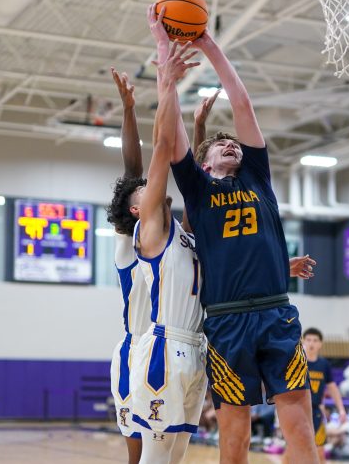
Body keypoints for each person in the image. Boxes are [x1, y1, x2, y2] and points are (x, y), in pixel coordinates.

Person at [160, 15, 317, 461]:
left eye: (235, 145)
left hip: (276, 314)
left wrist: (209, 44)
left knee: (301, 430)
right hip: (226, 322)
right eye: (220, 145)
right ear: (204, 161)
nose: (231, 146)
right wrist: (165, 76)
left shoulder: (257, 178)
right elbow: (168, 136)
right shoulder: (198, 189)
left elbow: (243, 104)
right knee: (235, 440)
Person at [127, 37, 208, 464]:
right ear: (139, 208)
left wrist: (197, 131)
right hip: (164, 348)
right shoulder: (151, 230)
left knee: (176, 456)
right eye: (145, 189)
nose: (151, 186)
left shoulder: (185, 234)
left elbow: (193, 179)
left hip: (195, 348)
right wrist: (166, 81)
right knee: (156, 459)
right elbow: (162, 149)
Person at [106, 67, 150, 464]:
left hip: (174, 349)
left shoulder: (175, 240)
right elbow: (133, 171)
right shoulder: (129, 242)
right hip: (137, 349)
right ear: (134, 210)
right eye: (144, 190)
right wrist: (129, 109)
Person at [297, 327, 348, 464]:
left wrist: (341, 409)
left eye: (315, 340)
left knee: (320, 452)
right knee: (293, 451)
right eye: (308, 340)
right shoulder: (297, 363)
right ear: (302, 341)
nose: (311, 343)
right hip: (298, 411)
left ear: (320, 344)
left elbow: (333, 388)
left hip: (316, 412)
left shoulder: (324, 364)